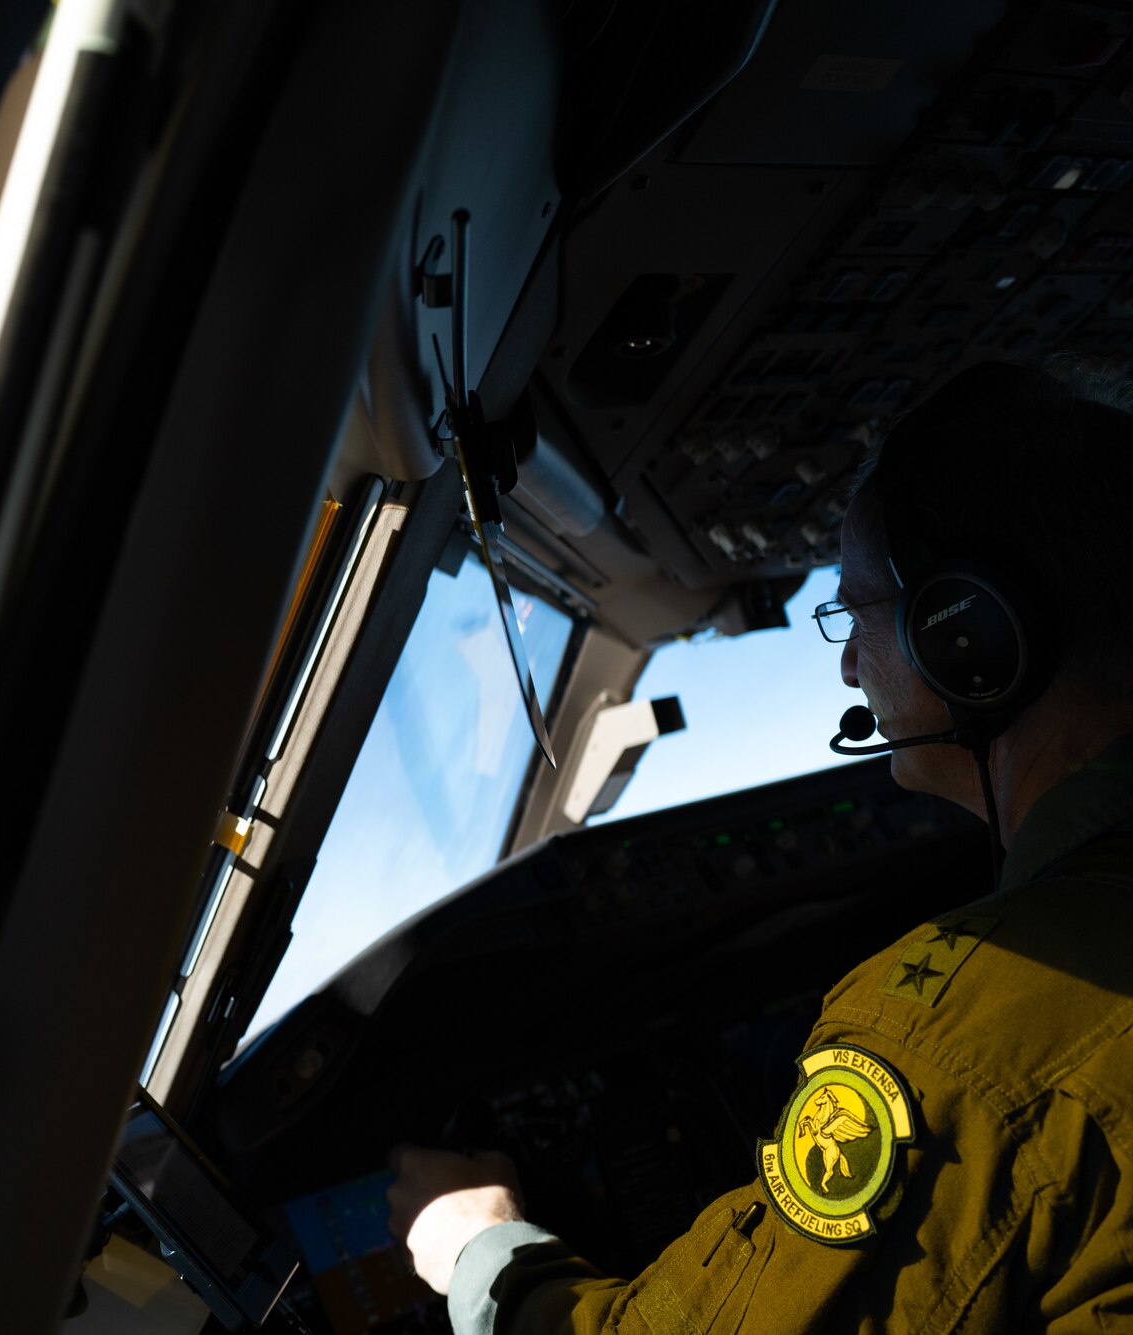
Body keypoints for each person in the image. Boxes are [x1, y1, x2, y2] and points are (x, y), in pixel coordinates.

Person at [384, 358, 1133, 1332]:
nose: (849, 660)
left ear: (968, 637)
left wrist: (478, 1248)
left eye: (855, 611)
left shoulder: (964, 1031)